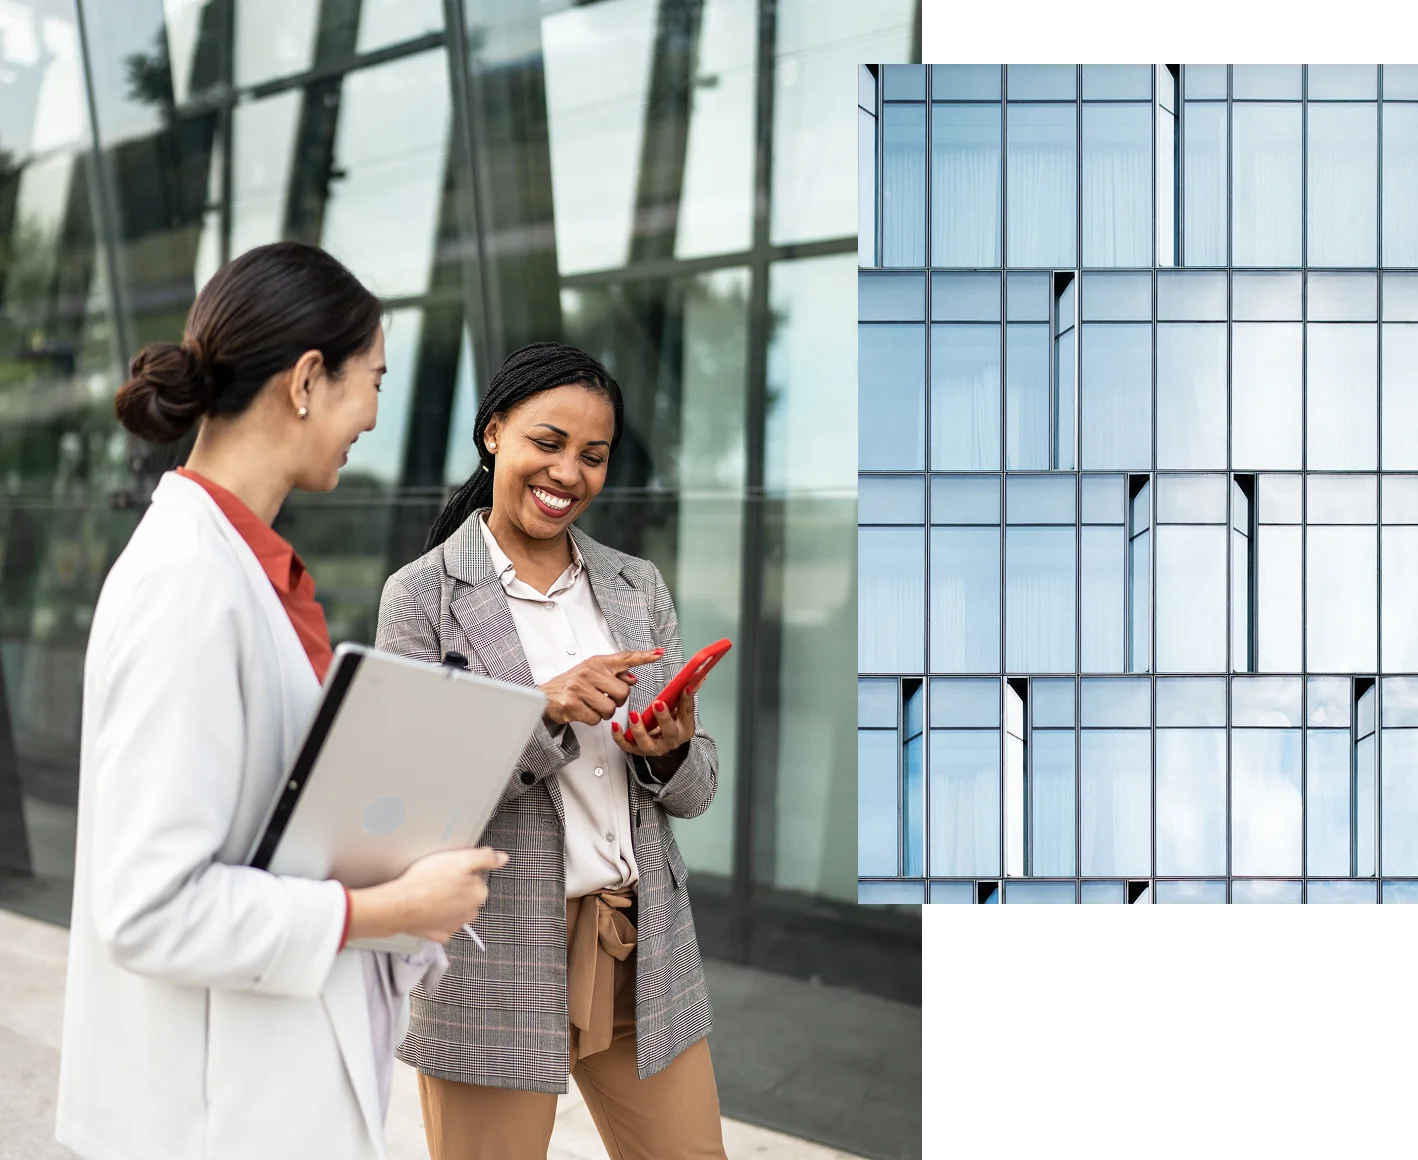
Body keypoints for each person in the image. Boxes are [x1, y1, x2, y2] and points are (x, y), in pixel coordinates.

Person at [56, 241, 503, 1160]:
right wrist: (389, 910)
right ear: (307, 379)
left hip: (256, 1092)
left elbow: (264, 836)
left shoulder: (242, 570)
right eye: (372, 381)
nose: (375, 414)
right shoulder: (188, 583)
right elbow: (148, 908)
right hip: (211, 1120)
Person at [376, 342, 727, 1160]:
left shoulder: (636, 586)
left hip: (639, 942)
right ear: (494, 432)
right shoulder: (420, 597)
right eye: (548, 441)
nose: (569, 472)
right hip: (491, 952)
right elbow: (407, 799)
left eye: (593, 455)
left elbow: (697, 789)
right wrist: (541, 710)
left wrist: (668, 753)